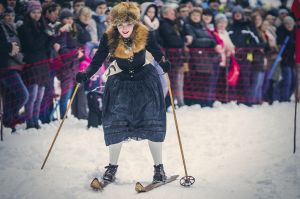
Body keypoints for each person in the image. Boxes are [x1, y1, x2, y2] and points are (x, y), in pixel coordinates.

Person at [75, 2, 171, 183]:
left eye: (127, 24)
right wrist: (86, 74)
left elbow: (157, 52)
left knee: (152, 122)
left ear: (134, 22)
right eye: (120, 25)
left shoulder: (144, 33)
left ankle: (159, 168)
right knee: (115, 122)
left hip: (145, 81)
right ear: (115, 24)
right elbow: (97, 60)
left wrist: (163, 63)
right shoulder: (109, 36)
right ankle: (111, 168)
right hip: (120, 82)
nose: (124, 28)